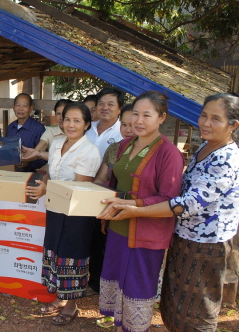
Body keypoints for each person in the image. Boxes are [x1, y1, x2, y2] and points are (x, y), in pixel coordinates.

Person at [100, 93, 239, 332]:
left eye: (215, 118)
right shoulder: (206, 147)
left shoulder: (225, 157)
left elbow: (186, 202)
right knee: (176, 302)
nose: (205, 123)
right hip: (182, 235)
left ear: (233, 125)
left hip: (206, 241)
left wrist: (135, 209)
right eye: (203, 115)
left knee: (199, 307)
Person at [95, 91, 184, 332]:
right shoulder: (125, 144)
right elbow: (114, 183)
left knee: (137, 285)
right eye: (135, 114)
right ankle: (119, 325)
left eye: (147, 114)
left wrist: (134, 208)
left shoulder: (169, 153)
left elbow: (170, 199)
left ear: (161, 117)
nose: (139, 120)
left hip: (146, 232)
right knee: (116, 279)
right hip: (118, 226)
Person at [25, 102, 101, 325]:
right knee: (56, 253)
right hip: (55, 209)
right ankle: (60, 297)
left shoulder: (89, 151)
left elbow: (80, 189)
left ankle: (72, 305)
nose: (71, 124)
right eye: (68, 119)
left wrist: (46, 189)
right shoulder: (58, 144)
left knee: (72, 256)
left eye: (77, 120)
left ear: (87, 124)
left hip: (76, 216)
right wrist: (44, 185)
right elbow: (51, 172)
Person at [86, 87, 125, 296]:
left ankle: (103, 285)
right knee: (89, 237)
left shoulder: (124, 132)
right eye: (101, 103)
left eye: (111, 104)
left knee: (104, 241)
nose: (105, 107)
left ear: (119, 109)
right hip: (83, 190)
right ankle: (91, 280)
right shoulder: (86, 127)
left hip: (108, 194)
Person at [94, 104, 135, 185]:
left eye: (132, 125)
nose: (127, 130)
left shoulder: (150, 150)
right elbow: (101, 178)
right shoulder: (114, 148)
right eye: (124, 125)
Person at [6, 93, 46, 172]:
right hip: (11, 172)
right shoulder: (11, 127)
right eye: (18, 105)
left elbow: (44, 157)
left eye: (24, 106)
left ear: (31, 108)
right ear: (13, 107)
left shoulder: (38, 128)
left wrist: (28, 162)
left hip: (30, 174)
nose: (20, 109)